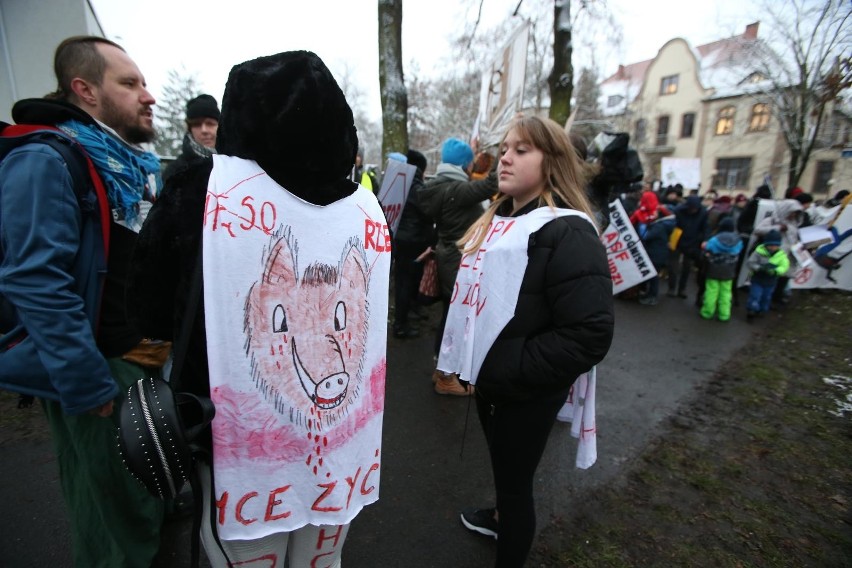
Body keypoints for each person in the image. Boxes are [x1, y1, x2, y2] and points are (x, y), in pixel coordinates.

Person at [129, 50, 390, 568]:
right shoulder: (367, 206)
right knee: (322, 558)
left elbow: (149, 311)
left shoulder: (198, 191)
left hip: (229, 442)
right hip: (342, 444)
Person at [0, 36, 165, 567]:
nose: (148, 96)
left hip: (134, 361)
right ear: (85, 90)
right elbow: (33, 280)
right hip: (97, 372)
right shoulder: (44, 158)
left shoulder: (123, 163)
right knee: (109, 516)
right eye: (130, 83)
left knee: (139, 497)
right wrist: (85, 380)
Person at [439, 116, 614, 567]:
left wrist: (509, 368)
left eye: (522, 150)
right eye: (505, 148)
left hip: (524, 388)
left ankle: (509, 543)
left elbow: (588, 334)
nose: (506, 157)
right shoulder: (498, 219)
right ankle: (499, 517)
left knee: (517, 486)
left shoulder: (569, 230)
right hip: (494, 384)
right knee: (504, 469)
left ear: (551, 162)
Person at [419, 137, 498, 396]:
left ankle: (441, 369)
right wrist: (504, 148)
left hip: (449, 258)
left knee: (449, 315)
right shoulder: (455, 191)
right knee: (457, 318)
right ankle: (446, 377)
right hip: (457, 262)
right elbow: (491, 184)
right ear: (464, 164)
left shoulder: (438, 186)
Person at [391, 149, 432, 338]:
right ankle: (400, 325)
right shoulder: (417, 188)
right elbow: (427, 213)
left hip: (400, 239)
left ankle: (403, 318)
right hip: (413, 242)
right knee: (405, 284)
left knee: (402, 282)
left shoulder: (401, 183)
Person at [162, 93, 220, 183]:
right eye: (197, 124)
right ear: (189, 129)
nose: (204, 130)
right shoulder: (176, 171)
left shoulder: (235, 162)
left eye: (210, 123)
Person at [630, 190, 674, 305]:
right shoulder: (663, 218)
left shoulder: (658, 225)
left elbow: (647, 236)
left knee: (653, 276)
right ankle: (648, 293)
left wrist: (644, 228)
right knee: (652, 275)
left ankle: (652, 296)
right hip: (654, 252)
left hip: (655, 253)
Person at [700, 217, 743, 321]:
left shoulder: (715, 239)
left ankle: (707, 312)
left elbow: (707, 248)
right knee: (726, 292)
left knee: (711, 291)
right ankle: (724, 314)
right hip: (729, 270)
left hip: (714, 269)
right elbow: (738, 251)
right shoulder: (738, 240)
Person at [667, 194, 709, 300]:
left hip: (693, 242)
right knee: (673, 265)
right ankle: (672, 287)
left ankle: (682, 289)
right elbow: (671, 224)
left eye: (695, 209)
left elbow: (705, 228)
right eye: (691, 208)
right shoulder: (678, 210)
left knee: (687, 267)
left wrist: (705, 239)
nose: (693, 211)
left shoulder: (703, 212)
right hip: (677, 240)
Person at [746, 229, 790, 319]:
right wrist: (759, 268)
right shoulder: (758, 252)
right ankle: (752, 309)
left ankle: (762, 310)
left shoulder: (781, 255)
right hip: (758, 279)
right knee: (755, 295)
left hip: (771, 281)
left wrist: (776, 271)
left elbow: (784, 266)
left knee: (766, 297)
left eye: (775, 245)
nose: (772, 247)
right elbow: (750, 262)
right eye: (770, 245)